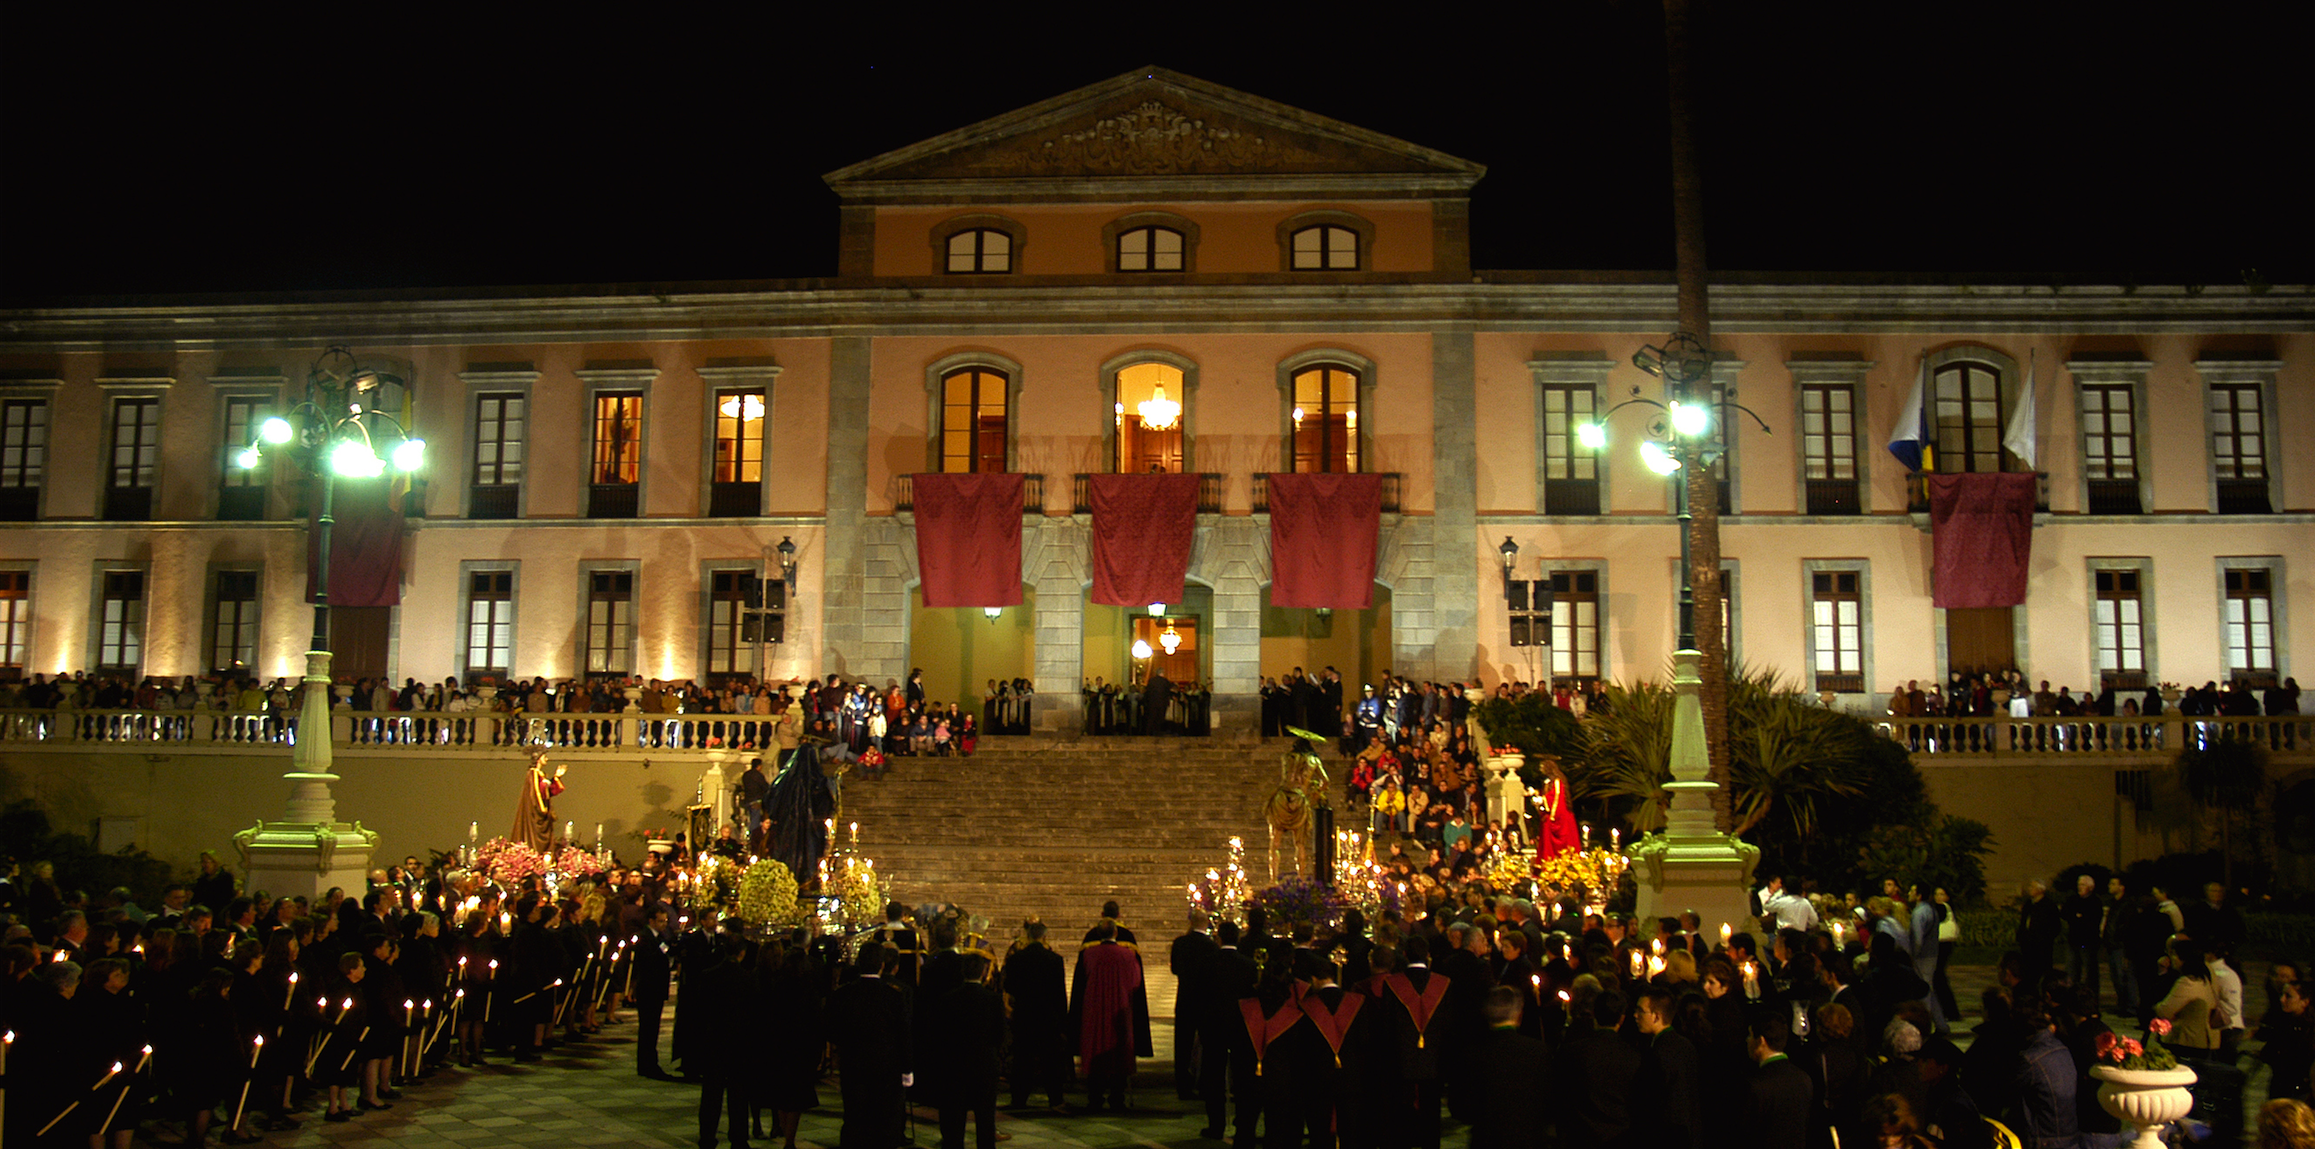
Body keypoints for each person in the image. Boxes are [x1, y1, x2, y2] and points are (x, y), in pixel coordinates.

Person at [828, 942, 911, 1149]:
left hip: (853, 1063)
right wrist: (907, 1068)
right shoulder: (893, 995)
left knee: (855, 1115)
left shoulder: (843, 994)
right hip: (886, 1066)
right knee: (885, 1118)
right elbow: (904, 1034)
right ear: (882, 965)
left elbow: (831, 1028)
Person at [1069, 921, 1150, 1113]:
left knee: (1095, 1046)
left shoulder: (1088, 953)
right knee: (1119, 1049)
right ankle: (1117, 1097)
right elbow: (1135, 983)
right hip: (1119, 1008)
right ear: (1116, 932)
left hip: (1094, 1009)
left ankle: (1094, 1098)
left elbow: (1081, 981)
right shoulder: (1128, 954)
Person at [930, 951, 1003, 1149]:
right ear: (982, 972)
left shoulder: (948, 999)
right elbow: (1000, 1035)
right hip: (984, 1064)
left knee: (954, 1118)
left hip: (955, 1065)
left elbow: (940, 1034)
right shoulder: (993, 1000)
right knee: (985, 1118)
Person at [1469, 984, 1547, 1149]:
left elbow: (1462, 1104)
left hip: (1486, 1138)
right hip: (1527, 1138)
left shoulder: (1475, 1052)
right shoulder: (1537, 1051)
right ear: (1519, 1014)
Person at [1003, 920, 1069, 1113]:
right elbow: (1060, 993)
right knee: (1051, 1061)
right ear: (1044, 937)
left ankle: (1019, 1099)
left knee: (1022, 1059)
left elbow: (1009, 987)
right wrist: (1062, 1021)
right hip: (1048, 1017)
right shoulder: (1055, 960)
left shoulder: (1016, 959)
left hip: (1024, 1015)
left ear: (1029, 936)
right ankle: (1056, 1099)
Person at [1744, 1011, 1814, 1149]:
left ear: (1761, 1041)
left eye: (1751, 1035)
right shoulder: (1804, 1079)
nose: (1747, 1040)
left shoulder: (1755, 1086)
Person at [632, 905, 675, 1077]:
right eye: (660, 921)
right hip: (648, 989)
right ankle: (647, 1064)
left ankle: (649, 1062)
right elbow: (649, 961)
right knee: (648, 1028)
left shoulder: (659, 937)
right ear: (651, 921)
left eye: (665, 921)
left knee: (652, 1027)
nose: (664, 924)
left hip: (656, 989)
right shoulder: (645, 938)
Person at [514, 747, 567, 852]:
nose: (546, 759)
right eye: (544, 757)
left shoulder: (540, 775)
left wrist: (556, 777)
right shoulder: (533, 774)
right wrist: (541, 809)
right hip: (536, 813)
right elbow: (535, 793)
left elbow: (547, 792)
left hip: (543, 813)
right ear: (538, 758)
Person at [1529, 756, 1580, 861]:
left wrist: (1543, 800)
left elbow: (1556, 797)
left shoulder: (1557, 781)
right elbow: (1546, 794)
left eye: (1542, 766)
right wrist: (1536, 793)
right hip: (1549, 815)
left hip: (1559, 817)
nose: (1541, 769)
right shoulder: (1548, 782)